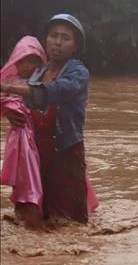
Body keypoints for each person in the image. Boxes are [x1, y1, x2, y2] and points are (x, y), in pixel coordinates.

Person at [1, 14, 98, 223]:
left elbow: (55, 91)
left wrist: (8, 87)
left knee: (68, 220)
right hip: (37, 152)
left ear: (75, 46)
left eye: (66, 38)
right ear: (46, 40)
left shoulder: (78, 72)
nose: (58, 42)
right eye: (54, 36)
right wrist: (11, 113)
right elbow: (25, 103)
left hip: (66, 151)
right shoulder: (39, 72)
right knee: (35, 217)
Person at [1, 36, 47, 228]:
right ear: (16, 62)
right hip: (20, 137)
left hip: (40, 137)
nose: (27, 66)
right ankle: (26, 213)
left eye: (33, 61)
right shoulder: (10, 82)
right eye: (23, 61)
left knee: (41, 175)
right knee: (23, 174)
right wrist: (8, 110)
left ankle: (35, 213)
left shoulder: (43, 84)